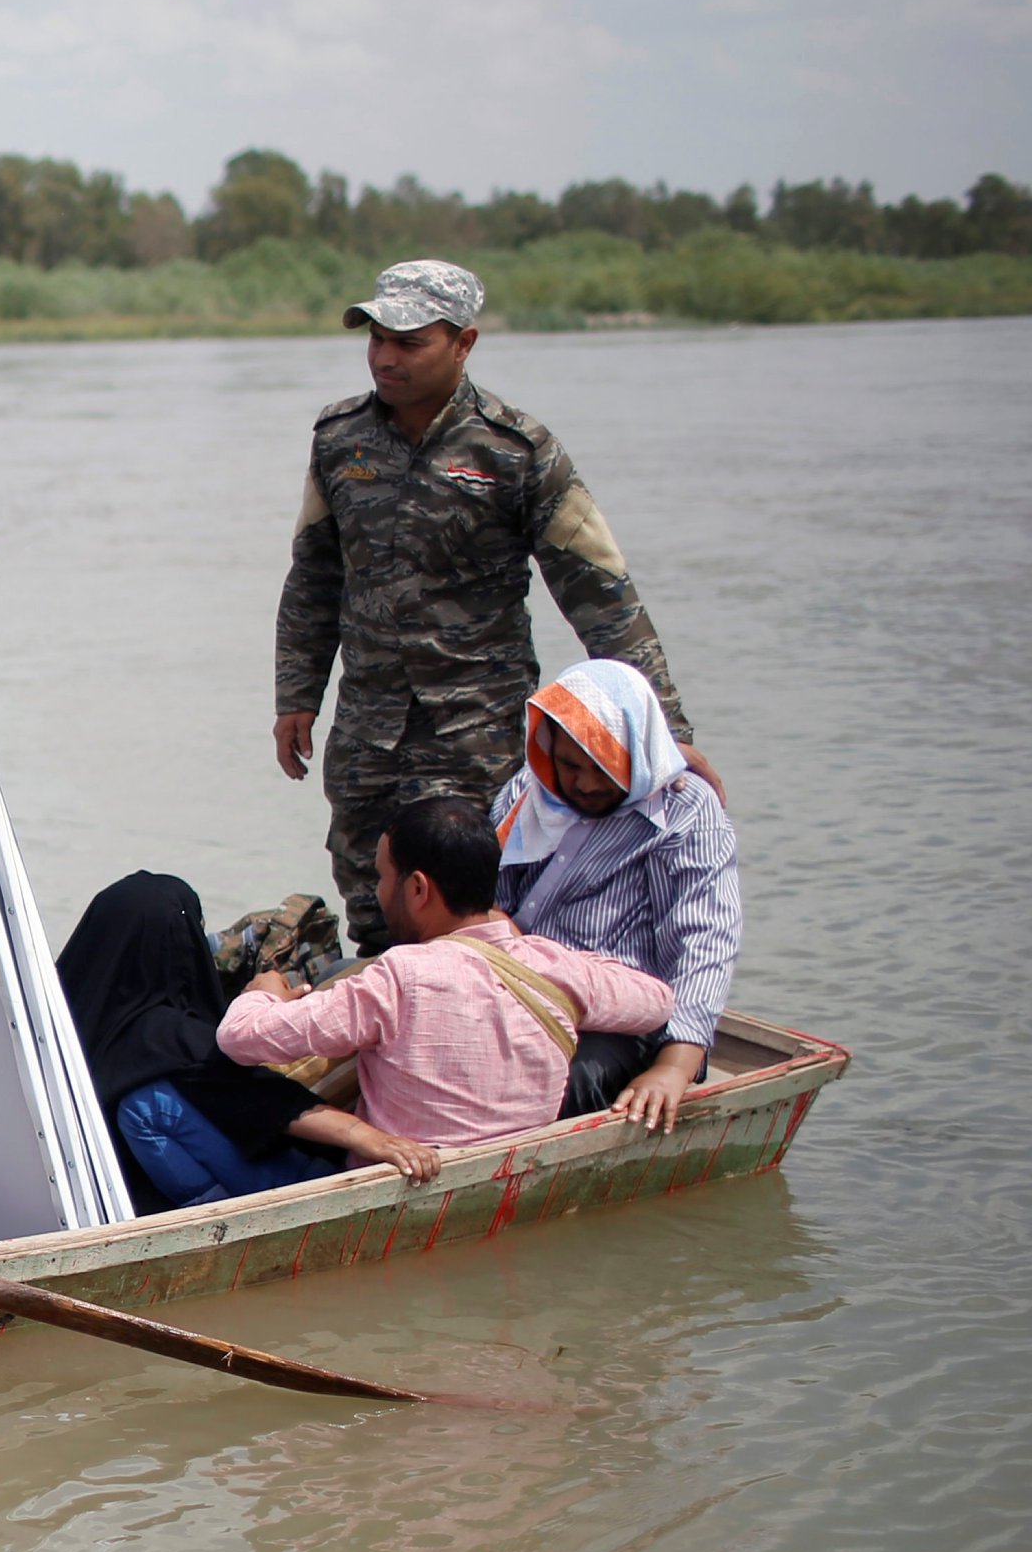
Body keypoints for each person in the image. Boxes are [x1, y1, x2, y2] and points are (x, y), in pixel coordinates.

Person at [273, 259, 720, 954]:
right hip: (367, 730)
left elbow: (598, 590)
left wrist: (665, 726)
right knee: (373, 900)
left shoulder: (517, 451)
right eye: (376, 339)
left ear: (464, 343)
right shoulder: (340, 440)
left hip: (475, 733)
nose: (386, 358)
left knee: (470, 910)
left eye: (409, 343)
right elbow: (315, 575)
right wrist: (297, 692)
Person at [216, 794, 677, 1155]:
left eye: (382, 877)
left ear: (417, 888)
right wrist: (565, 961)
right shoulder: (553, 967)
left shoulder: (399, 978)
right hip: (509, 1162)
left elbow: (239, 1038)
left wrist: (264, 993)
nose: (378, 892)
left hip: (401, 1176)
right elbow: (657, 1001)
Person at [57, 870, 445, 1211]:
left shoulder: (62, 1027)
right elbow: (265, 1102)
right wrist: (372, 1140)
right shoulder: (169, 1036)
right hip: (212, 1195)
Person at [491, 657, 743, 1131]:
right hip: (520, 989)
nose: (584, 784)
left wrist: (673, 1068)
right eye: (570, 765)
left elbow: (704, 942)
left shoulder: (686, 809)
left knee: (572, 1082)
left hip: (623, 1020)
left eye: (602, 768)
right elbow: (488, 901)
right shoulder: (528, 791)